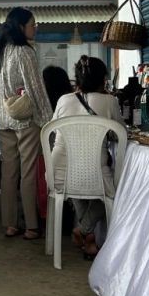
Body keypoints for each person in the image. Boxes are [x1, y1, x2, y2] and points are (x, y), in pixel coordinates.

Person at [49, 56, 123, 260]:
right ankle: (84, 230)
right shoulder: (110, 101)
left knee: (75, 175)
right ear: (103, 80)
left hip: (59, 174)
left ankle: (87, 236)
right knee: (114, 191)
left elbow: (53, 130)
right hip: (94, 175)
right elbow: (119, 134)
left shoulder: (64, 100)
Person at [0, 7, 52, 240]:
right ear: (21, 27)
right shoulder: (25, 52)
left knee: (8, 173)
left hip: (5, 118)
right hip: (26, 120)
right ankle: (31, 225)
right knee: (28, 173)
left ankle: (10, 224)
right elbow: (36, 89)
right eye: (32, 24)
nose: (35, 28)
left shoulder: (0, 51)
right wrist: (49, 120)